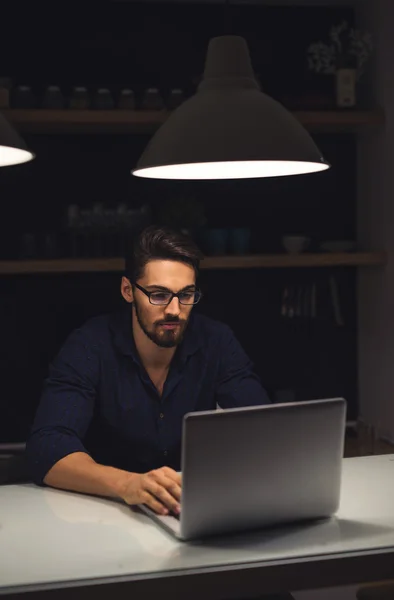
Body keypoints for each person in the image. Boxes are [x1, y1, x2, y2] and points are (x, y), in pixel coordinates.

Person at [26, 225, 270, 516]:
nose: (174, 310)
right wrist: (129, 484)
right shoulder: (89, 346)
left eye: (186, 294)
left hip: (188, 511)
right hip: (102, 513)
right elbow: (46, 449)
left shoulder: (216, 341)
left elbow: (264, 430)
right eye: (158, 295)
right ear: (128, 290)